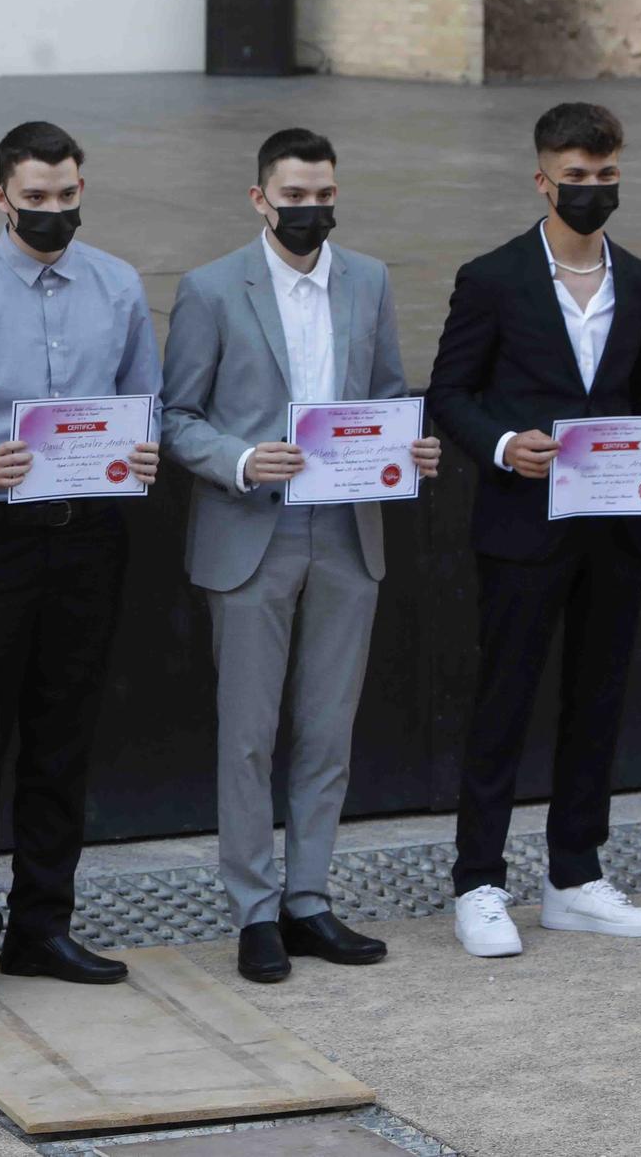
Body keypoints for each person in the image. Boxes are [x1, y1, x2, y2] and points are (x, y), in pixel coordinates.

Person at [161, 129, 440, 985]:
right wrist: (242, 460)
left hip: (349, 529)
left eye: (323, 194)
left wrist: (409, 449)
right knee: (247, 735)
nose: (310, 209)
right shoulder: (211, 288)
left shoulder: (371, 279)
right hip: (252, 530)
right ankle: (253, 909)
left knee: (328, 730)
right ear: (259, 199)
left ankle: (309, 898)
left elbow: (389, 394)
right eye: (294, 195)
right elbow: (178, 417)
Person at [426, 103, 641, 958]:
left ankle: (575, 876)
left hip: (615, 527)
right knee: (504, 700)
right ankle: (478, 883)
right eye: (576, 178)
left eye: (605, 176)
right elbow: (450, 393)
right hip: (521, 526)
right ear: (543, 179)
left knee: (600, 697)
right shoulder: (493, 276)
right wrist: (507, 446)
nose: (591, 191)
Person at [0, 121, 160, 1008]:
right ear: (0, 197)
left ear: (83, 189)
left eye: (67, 196)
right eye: (36, 198)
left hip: (90, 534)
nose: (52, 211)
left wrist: (142, 451)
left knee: (66, 734)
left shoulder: (120, 286)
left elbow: (143, 406)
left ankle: (45, 925)